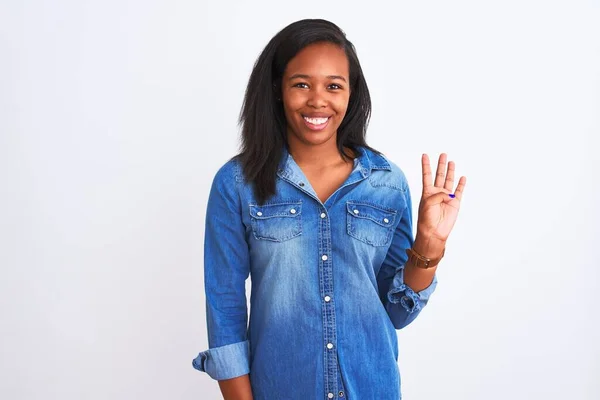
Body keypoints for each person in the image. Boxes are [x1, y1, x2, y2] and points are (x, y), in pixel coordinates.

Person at [192, 18, 466, 400]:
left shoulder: (386, 183)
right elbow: (224, 308)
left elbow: (399, 312)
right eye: (301, 84)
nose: (318, 100)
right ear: (277, 89)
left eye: (333, 86)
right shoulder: (237, 184)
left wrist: (430, 247)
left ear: (351, 94)